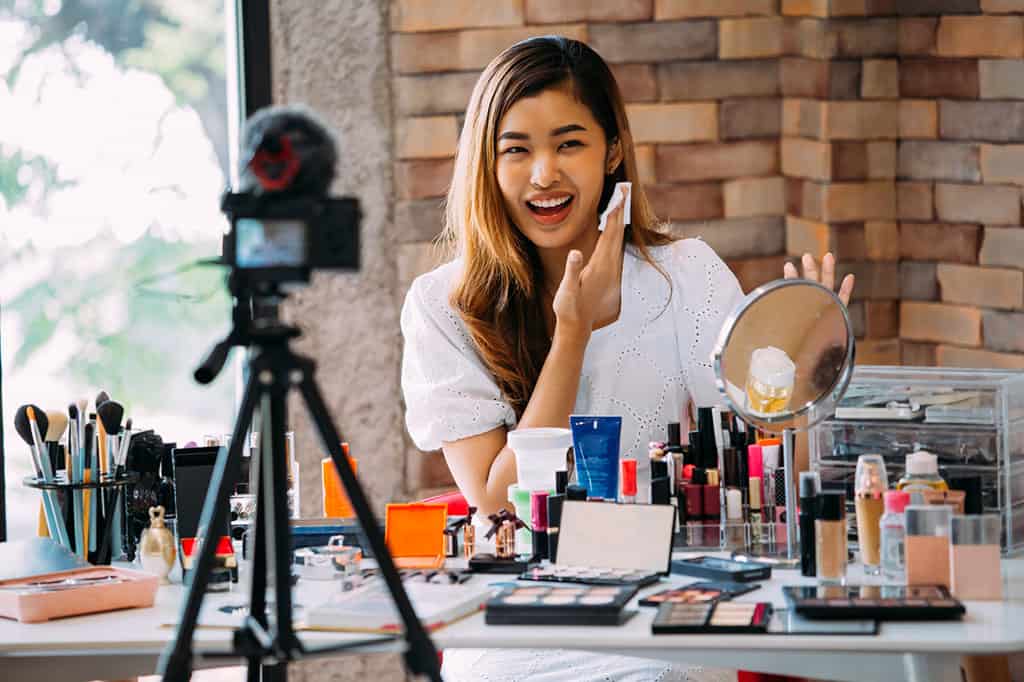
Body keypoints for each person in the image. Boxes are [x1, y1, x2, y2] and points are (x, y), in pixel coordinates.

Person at [400, 36, 854, 682]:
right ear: (486, 162)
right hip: (516, 629)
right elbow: (501, 503)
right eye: (516, 150)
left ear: (612, 149)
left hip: (665, 618)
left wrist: (810, 377)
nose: (544, 174)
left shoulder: (685, 276)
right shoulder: (442, 306)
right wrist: (573, 334)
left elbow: (770, 469)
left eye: (569, 143)